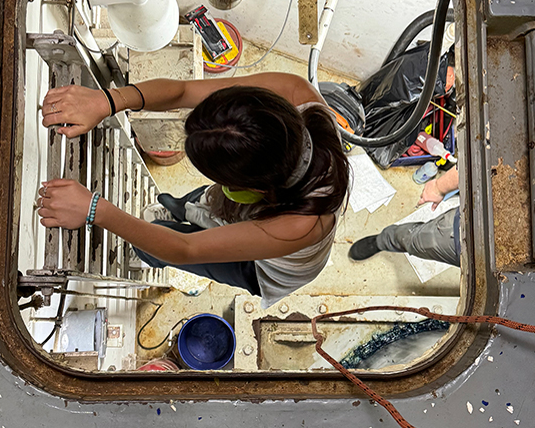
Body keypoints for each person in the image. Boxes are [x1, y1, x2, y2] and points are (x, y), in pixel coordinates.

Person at [36, 73, 350, 308]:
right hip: (260, 198)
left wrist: (95, 209)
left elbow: (185, 249)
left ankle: (151, 248)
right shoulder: (295, 94)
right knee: (197, 202)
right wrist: (108, 100)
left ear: (255, 187)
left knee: (159, 240)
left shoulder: (300, 226)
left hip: (261, 266)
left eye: (225, 180)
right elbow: (184, 90)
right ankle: (180, 212)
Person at [348, 166, 460, 267]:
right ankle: (382, 241)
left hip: (473, 264)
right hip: (461, 233)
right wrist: (439, 187)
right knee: (415, 239)